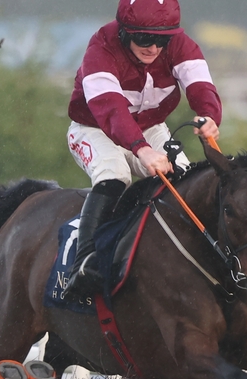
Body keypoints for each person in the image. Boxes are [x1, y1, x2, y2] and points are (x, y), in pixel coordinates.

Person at [64, 0, 223, 300]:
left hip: (149, 127)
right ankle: (84, 262)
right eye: (144, 39)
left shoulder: (180, 44)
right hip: (95, 128)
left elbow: (200, 84)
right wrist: (142, 149)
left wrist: (209, 115)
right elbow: (111, 110)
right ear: (124, 32)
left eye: (162, 40)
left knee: (185, 179)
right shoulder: (101, 47)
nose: (153, 48)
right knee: (115, 175)